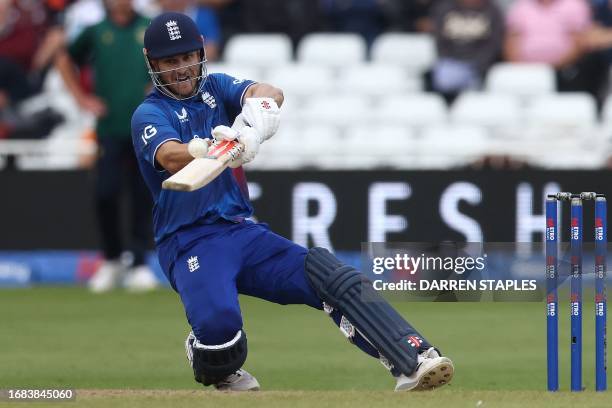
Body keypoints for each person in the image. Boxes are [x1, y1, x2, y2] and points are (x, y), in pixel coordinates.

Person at [131, 12, 454, 391]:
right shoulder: (150, 113)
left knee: (330, 275)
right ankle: (210, 356)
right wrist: (208, 147)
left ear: (200, 52)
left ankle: (412, 360)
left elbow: (271, 92)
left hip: (242, 232)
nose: (183, 68)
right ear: (154, 64)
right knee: (219, 332)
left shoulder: (216, 87)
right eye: (171, 61)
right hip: (189, 241)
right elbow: (169, 156)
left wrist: (254, 122)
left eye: (188, 57)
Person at [55, 0, 158, 292]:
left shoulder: (147, 27)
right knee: (106, 192)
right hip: (110, 127)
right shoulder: (96, 30)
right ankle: (112, 259)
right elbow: (64, 59)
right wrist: (81, 98)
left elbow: (170, 59)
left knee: (143, 194)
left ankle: (139, 262)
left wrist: (159, 88)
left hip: (146, 128)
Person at [430, 0, 505, 103]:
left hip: (481, 67)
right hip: (451, 63)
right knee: (445, 75)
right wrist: (456, 62)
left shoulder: (492, 10)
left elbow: (495, 44)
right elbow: (439, 42)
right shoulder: (445, 8)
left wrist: (477, 65)